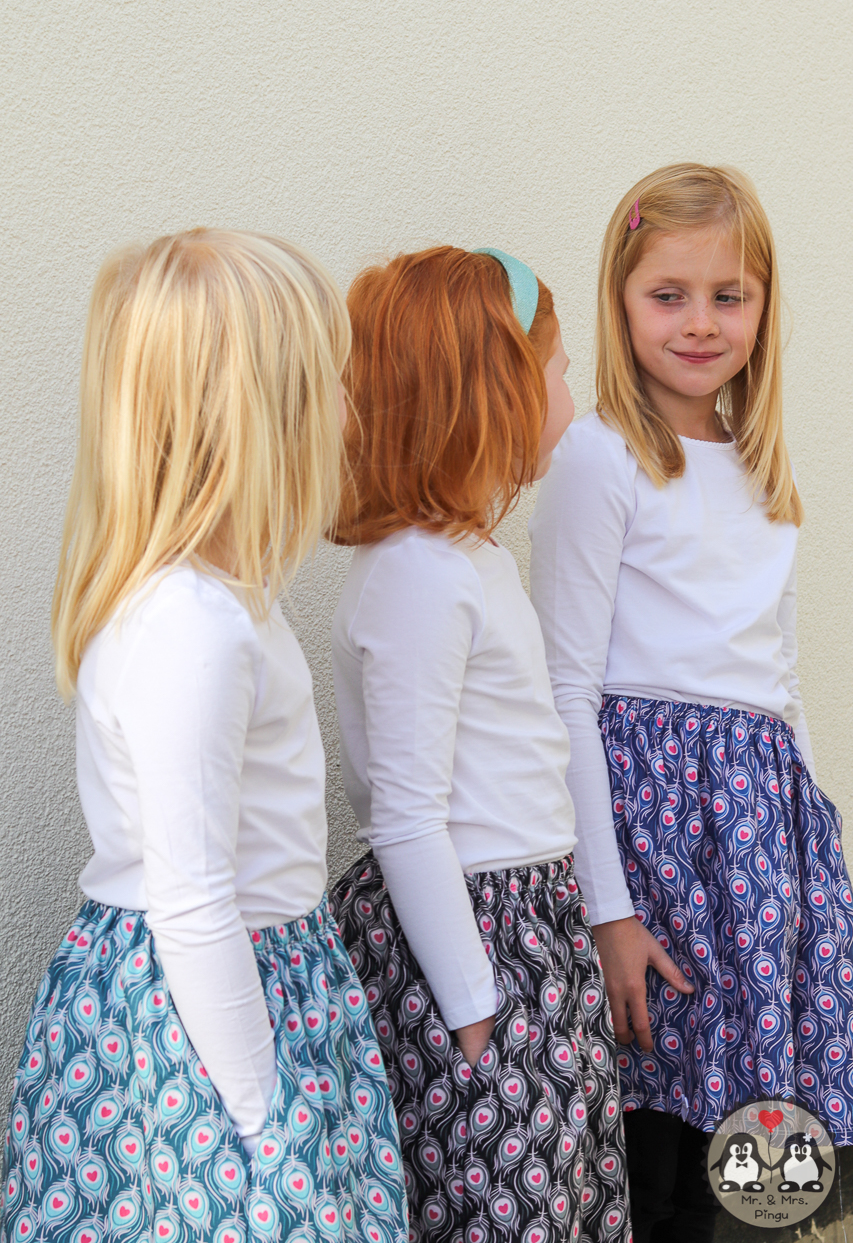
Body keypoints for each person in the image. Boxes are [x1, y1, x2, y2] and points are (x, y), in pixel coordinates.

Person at [1, 229, 407, 1243]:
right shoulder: (194, 625)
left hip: (230, 988)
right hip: (210, 1019)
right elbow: (190, 898)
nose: (350, 407)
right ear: (264, 417)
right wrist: (265, 1125)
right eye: (330, 383)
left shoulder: (219, 604)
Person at [529, 163, 853, 1242]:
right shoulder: (600, 458)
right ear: (620, 301)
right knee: (657, 1136)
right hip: (654, 841)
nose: (701, 322)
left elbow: (778, 683)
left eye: (729, 296)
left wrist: (811, 853)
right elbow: (568, 687)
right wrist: (607, 910)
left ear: (764, 306)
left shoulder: (765, 468)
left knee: (755, 1158)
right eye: (668, 295)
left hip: (760, 847)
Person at [328, 246, 631, 1243]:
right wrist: (472, 1012)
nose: (571, 396)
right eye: (557, 371)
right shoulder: (418, 573)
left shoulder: (467, 555)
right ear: (494, 391)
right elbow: (406, 818)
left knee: (558, 1191)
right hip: (475, 939)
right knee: (499, 1197)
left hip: (529, 924)